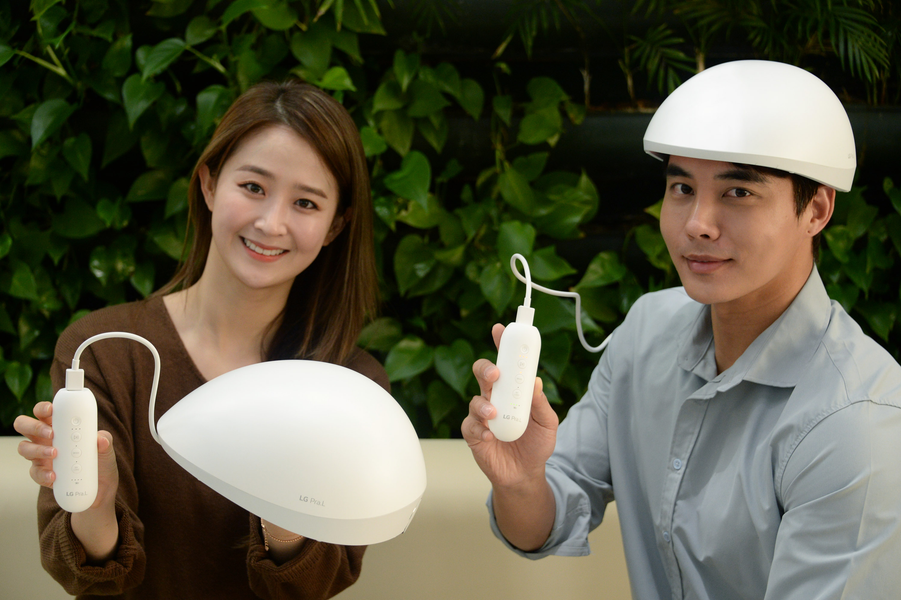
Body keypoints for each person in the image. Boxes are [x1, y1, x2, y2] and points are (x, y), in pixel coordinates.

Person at [463, 60, 901, 599]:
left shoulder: (857, 423)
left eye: (738, 192)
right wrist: (521, 480)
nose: (697, 223)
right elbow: (542, 524)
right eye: (681, 187)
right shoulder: (646, 333)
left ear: (816, 208)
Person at [14, 79, 387, 599]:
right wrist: (95, 507)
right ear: (209, 184)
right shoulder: (104, 350)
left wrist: (286, 501)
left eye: (305, 203)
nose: (271, 223)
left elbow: (314, 586)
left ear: (334, 227)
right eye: (253, 187)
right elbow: (88, 579)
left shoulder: (351, 385)